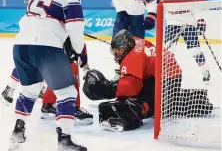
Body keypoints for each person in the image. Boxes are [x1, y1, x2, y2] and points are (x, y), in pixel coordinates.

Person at [9, 0, 88, 151]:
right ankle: (65, 142)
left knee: (29, 90)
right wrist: (78, 50)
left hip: (21, 47)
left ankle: (17, 132)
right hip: (46, 47)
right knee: (67, 93)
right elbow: (75, 26)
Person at [82, 30, 213, 132]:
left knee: (151, 106)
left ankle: (200, 102)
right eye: (114, 51)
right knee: (159, 102)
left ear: (126, 46)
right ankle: (199, 98)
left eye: (119, 51)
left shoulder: (132, 58)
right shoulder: (135, 41)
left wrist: (110, 89)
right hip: (169, 74)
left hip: (165, 79)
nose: (116, 54)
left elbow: (132, 87)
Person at [41, 0, 93, 125]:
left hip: (47, 37)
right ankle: (72, 107)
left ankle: (48, 104)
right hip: (60, 39)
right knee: (71, 70)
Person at [1, 0, 46, 104]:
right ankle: (40, 88)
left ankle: (10, 88)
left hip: (29, 37)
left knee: (28, 64)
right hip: (33, 38)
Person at [159, 0, 211, 82]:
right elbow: (156, 4)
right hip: (172, 24)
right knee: (169, 50)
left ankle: (205, 70)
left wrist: (200, 21)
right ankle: (167, 73)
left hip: (188, 24)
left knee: (195, 50)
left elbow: (196, 9)